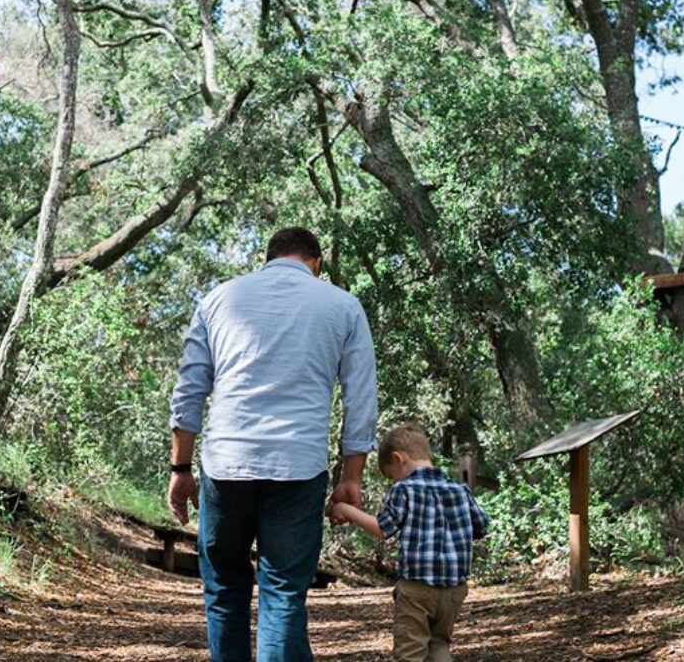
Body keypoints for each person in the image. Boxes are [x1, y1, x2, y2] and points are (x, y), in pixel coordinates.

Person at [167, 227, 379, 662]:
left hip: (226, 464)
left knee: (225, 590)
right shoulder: (343, 306)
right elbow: (361, 399)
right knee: (282, 591)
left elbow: (188, 392)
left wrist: (180, 470)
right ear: (316, 263)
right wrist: (351, 478)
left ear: (269, 258)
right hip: (298, 467)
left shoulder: (218, 299)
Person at [331, 425, 489, 662]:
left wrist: (345, 509)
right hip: (454, 590)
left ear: (398, 459)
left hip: (417, 589)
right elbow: (481, 527)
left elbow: (382, 529)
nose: (392, 480)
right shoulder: (460, 489)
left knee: (410, 652)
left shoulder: (404, 489)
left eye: (390, 474)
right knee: (440, 645)